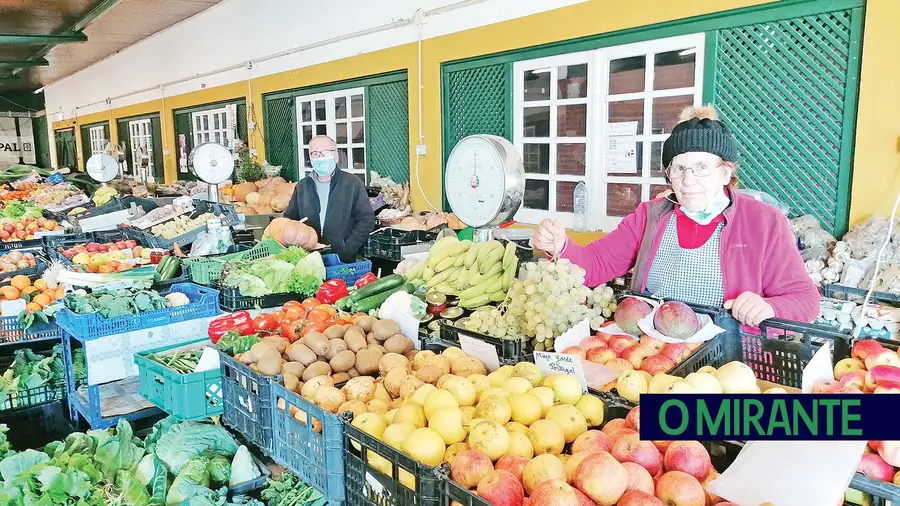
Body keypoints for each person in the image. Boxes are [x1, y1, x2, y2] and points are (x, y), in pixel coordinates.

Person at [531, 105, 819, 326]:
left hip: (727, 361)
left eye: (702, 167)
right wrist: (560, 246)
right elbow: (595, 265)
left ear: (726, 172)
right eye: (678, 168)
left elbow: (806, 301)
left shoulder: (763, 221)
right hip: (651, 354)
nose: (688, 179)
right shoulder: (650, 216)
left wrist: (770, 308)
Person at [283, 135, 375, 263]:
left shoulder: (353, 184)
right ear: (310, 158)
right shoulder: (302, 186)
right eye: (315, 153)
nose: (320, 157)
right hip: (307, 259)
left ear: (336, 156)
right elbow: (289, 218)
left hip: (342, 259)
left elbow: (366, 220)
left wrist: (347, 248)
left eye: (325, 152)